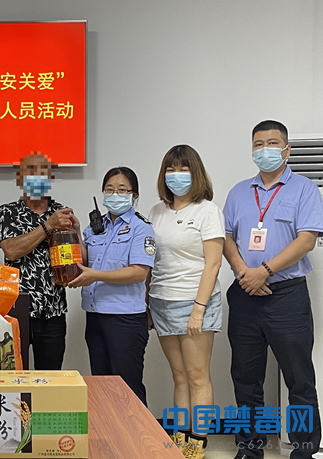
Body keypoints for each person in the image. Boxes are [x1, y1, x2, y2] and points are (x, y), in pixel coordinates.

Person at [223, 120, 323, 459]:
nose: (264, 149)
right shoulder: (238, 192)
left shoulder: (304, 189)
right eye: (258, 144)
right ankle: (250, 449)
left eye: (272, 143)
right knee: (245, 378)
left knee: (299, 379)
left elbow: (306, 240)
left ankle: (304, 450)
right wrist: (244, 273)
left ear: (287, 150)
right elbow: (227, 238)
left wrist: (264, 271)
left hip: (287, 297)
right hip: (245, 294)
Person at [147, 145, 224, 458]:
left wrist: (198, 310)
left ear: (196, 173)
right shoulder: (156, 212)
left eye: (183, 169)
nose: (176, 175)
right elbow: (151, 260)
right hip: (161, 301)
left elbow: (213, 263)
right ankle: (179, 436)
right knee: (178, 376)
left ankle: (198, 441)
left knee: (197, 376)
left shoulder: (207, 210)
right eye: (171, 169)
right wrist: (147, 303)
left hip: (195, 302)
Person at [67, 167, 155, 406]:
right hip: (95, 315)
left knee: (127, 388)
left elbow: (139, 272)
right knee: (101, 385)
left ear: (134, 195)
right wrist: (76, 233)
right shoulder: (96, 226)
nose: (115, 195)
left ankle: (136, 432)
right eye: (109, 189)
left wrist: (95, 276)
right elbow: (86, 260)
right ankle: (110, 431)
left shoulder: (141, 228)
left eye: (122, 190)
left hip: (125, 318)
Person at [0, 153, 75, 370]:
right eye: (30, 171)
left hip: (53, 311)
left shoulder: (62, 213)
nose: (37, 177)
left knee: (50, 378)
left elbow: (75, 261)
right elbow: (12, 251)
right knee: (13, 376)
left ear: (50, 178)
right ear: (19, 178)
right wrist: (48, 226)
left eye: (43, 172)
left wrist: (75, 234)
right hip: (16, 311)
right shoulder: (7, 212)